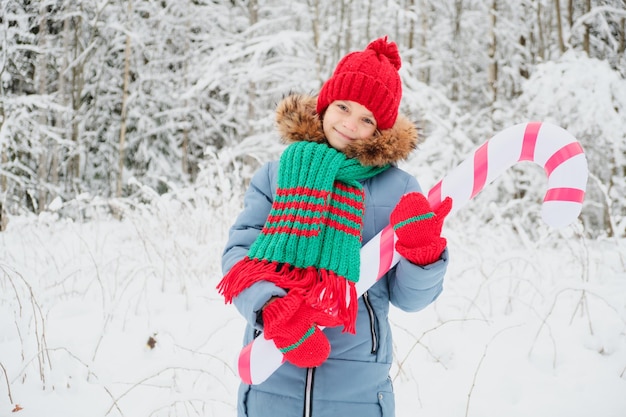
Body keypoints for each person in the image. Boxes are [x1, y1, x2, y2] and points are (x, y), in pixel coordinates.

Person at [218, 36, 452, 417]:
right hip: (272, 367)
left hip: (357, 388)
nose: (349, 124)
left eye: (367, 119)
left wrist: (422, 256)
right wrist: (271, 309)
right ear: (325, 103)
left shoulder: (400, 189)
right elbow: (239, 254)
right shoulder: (278, 174)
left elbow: (411, 299)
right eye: (343, 107)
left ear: (381, 130)